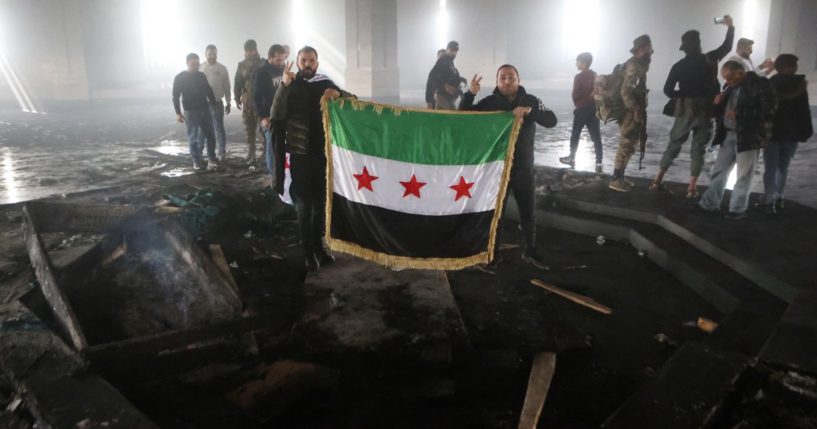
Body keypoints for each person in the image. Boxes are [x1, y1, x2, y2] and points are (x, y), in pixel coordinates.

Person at [460, 64, 557, 271]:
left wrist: (530, 113)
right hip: (497, 169)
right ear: (496, 82)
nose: (507, 81)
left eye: (511, 77)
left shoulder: (531, 100)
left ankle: (531, 250)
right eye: (502, 77)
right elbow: (464, 115)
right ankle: (493, 255)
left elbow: (552, 120)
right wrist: (469, 93)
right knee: (497, 213)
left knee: (528, 211)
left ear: (518, 79)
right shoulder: (489, 102)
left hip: (524, 167)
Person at [273, 46, 356, 271]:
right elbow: (275, 114)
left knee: (320, 203)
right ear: (297, 62)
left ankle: (319, 247)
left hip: (322, 153)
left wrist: (338, 95)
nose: (307, 64)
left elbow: (353, 101)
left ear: (317, 63)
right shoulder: (290, 84)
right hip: (299, 154)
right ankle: (307, 252)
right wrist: (282, 86)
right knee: (303, 204)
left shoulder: (324, 83)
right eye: (303, 60)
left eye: (311, 60)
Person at [650, 16, 734, 198]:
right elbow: (727, 47)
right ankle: (692, 188)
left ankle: (658, 180)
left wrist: (683, 95)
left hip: (686, 109)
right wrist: (730, 26)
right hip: (706, 110)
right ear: (699, 44)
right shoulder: (710, 58)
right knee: (699, 149)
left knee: (674, 144)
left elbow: (667, 90)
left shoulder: (679, 66)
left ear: (684, 46)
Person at [698, 61, 777, 220]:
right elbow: (721, 112)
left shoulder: (760, 84)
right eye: (726, 79)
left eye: (730, 79)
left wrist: (740, 113)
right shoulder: (731, 86)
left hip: (748, 135)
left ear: (740, 73)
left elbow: (769, 108)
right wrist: (716, 105)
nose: (727, 82)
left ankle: (737, 209)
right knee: (720, 171)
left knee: (744, 175)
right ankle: (709, 203)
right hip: (728, 135)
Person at [759, 54, 813, 213]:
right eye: (795, 65)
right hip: (792, 134)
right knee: (783, 167)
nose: (797, 68)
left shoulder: (770, 84)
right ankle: (779, 195)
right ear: (789, 67)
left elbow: (764, 109)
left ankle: (767, 197)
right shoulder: (800, 85)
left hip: (772, 132)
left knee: (770, 166)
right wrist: (806, 131)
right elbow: (804, 112)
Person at [610, 34, 652, 192]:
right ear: (641, 48)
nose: (651, 50)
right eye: (649, 47)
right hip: (630, 112)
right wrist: (635, 110)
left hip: (632, 110)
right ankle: (615, 179)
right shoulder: (634, 65)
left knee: (631, 144)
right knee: (626, 143)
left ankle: (620, 177)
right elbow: (626, 91)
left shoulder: (637, 64)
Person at [172, 53, 218, 171]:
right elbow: (175, 96)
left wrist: (213, 103)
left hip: (204, 109)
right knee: (193, 138)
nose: (196, 66)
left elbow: (208, 90)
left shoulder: (201, 76)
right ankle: (196, 162)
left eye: (197, 64)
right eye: (193, 64)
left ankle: (211, 159)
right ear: (187, 63)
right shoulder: (180, 78)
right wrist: (178, 113)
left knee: (211, 136)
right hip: (190, 112)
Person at [253, 44, 289, 194]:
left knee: (280, 145)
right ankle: (271, 174)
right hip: (268, 115)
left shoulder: (282, 69)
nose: (280, 62)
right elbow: (255, 97)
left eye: (282, 59)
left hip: (281, 114)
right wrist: (262, 117)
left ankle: (279, 173)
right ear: (270, 57)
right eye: (278, 60)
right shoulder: (262, 72)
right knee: (271, 146)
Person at [559, 52, 603, 173]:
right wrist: (590, 95)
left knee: (575, 134)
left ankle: (571, 158)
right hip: (593, 109)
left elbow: (575, 95)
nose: (576, 64)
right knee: (596, 137)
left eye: (578, 61)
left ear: (583, 63)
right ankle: (599, 163)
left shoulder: (578, 77)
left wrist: (581, 98)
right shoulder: (595, 75)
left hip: (582, 109)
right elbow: (598, 92)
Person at [234, 39, 264, 165]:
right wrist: (237, 98)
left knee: (262, 130)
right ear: (244, 52)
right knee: (249, 129)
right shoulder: (241, 65)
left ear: (256, 50)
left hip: (261, 102)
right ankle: (251, 153)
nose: (249, 53)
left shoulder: (263, 64)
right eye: (247, 51)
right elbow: (237, 82)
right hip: (247, 102)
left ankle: (265, 154)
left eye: (251, 51)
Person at [200, 44, 231, 162]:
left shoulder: (222, 69)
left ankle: (222, 151)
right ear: (205, 54)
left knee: (219, 127)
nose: (212, 56)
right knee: (202, 128)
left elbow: (227, 86)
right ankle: (200, 151)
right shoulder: (200, 68)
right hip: (202, 103)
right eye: (210, 54)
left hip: (217, 102)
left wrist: (228, 101)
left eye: (214, 54)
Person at [427, 41, 465, 110]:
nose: (454, 53)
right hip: (442, 97)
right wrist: (445, 85)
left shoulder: (450, 61)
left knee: (440, 118)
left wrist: (460, 81)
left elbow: (449, 77)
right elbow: (432, 76)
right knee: (452, 117)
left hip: (448, 97)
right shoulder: (443, 59)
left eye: (456, 51)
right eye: (452, 50)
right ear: (447, 49)